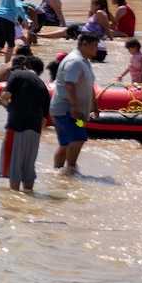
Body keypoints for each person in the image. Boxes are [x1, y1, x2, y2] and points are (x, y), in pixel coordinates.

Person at [0, 55, 50, 191]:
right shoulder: (42, 86)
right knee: (28, 167)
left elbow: (6, 96)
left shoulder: (17, 74)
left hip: (17, 126)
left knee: (14, 164)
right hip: (35, 130)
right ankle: (29, 194)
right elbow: (44, 119)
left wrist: (0, 101)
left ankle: (14, 198)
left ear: (25, 66)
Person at [50, 32, 100, 176]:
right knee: (79, 137)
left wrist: (94, 105)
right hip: (67, 110)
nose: (96, 49)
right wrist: (75, 106)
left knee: (65, 142)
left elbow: (89, 85)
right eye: (94, 46)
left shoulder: (85, 61)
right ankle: (70, 169)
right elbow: (69, 84)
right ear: (84, 44)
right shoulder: (74, 61)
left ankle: (58, 171)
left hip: (69, 110)